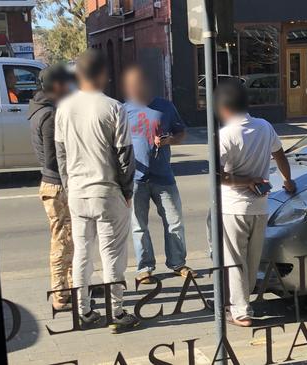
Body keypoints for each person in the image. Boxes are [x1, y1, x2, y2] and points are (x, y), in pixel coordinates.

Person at [54, 49, 139, 331]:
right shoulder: (113, 107)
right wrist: (127, 192)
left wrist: (69, 188)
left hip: (77, 192)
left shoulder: (64, 108)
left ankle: (84, 312)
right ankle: (116, 313)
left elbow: (61, 156)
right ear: (102, 74)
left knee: (82, 253)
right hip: (107, 191)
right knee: (112, 254)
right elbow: (125, 155)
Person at [214, 79, 296, 327]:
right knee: (251, 258)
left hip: (234, 207)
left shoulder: (226, 135)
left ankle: (240, 310)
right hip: (261, 206)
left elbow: (219, 176)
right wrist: (288, 181)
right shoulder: (264, 126)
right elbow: (279, 154)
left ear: (224, 108)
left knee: (234, 259)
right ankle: (241, 300)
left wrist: (244, 180)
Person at [121, 65, 195, 284]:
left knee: (174, 221)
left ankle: (177, 263)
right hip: (136, 178)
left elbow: (181, 133)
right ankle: (144, 268)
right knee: (138, 226)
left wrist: (168, 140)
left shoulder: (165, 107)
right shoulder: (123, 110)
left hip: (163, 176)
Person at [28, 64, 74, 311]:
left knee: (68, 239)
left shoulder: (38, 108)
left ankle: (70, 285)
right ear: (57, 86)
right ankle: (60, 294)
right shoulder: (50, 115)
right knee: (63, 241)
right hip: (57, 185)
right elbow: (53, 158)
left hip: (51, 183)